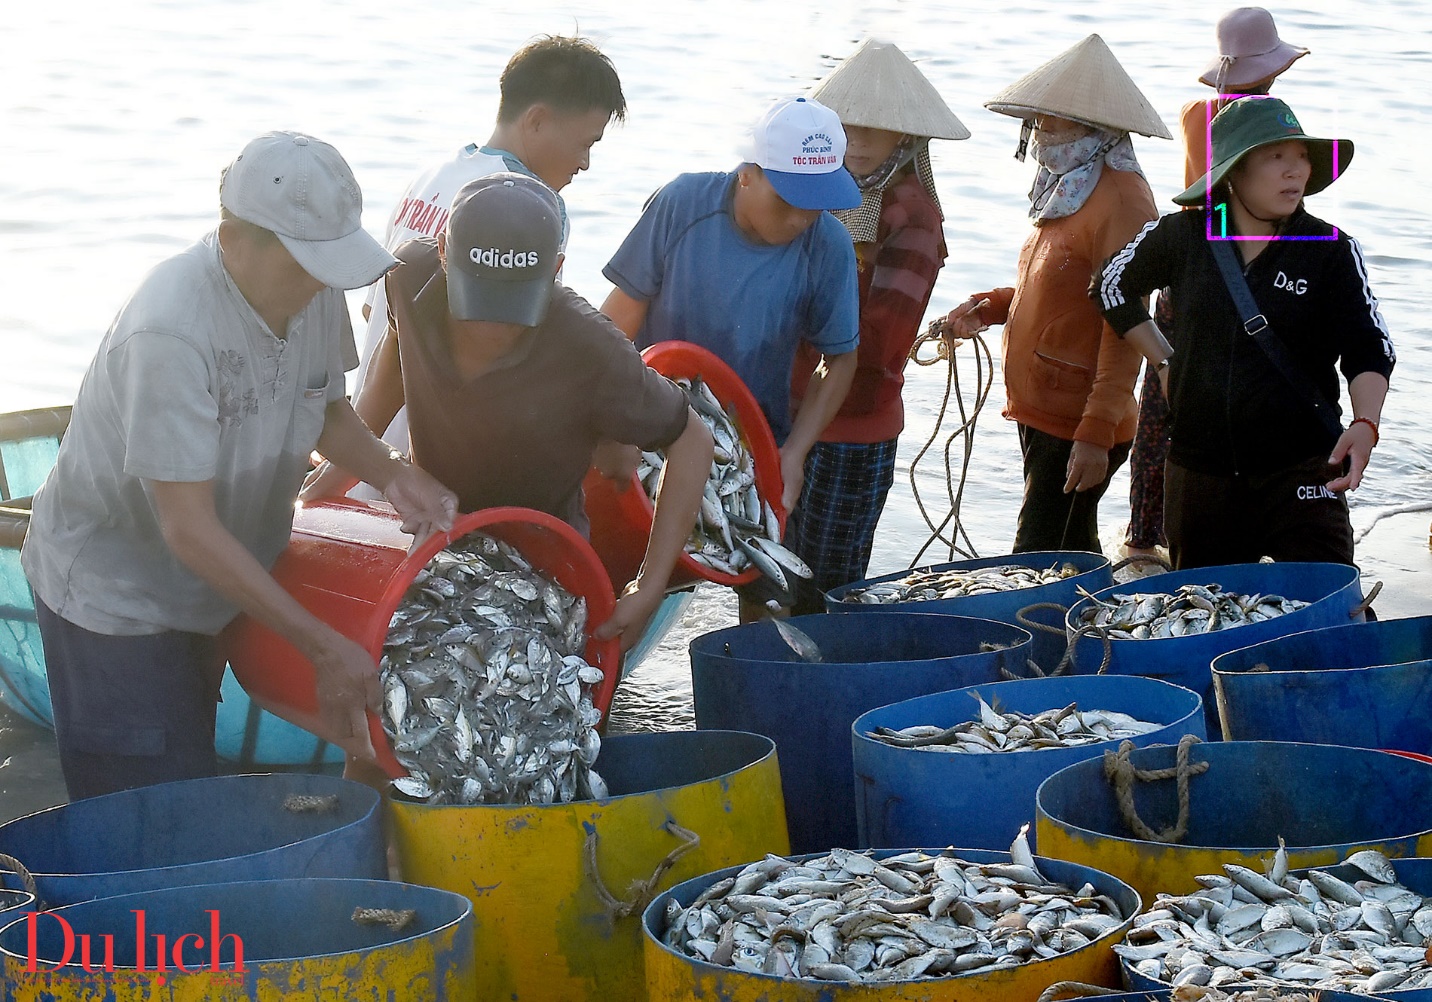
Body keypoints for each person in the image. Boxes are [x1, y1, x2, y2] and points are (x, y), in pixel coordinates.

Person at [21, 132, 457, 801]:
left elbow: (325, 406)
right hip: (115, 597)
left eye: (330, 263)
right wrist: (318, 643)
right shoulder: (169, 330)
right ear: (234, 238)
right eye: (305, 262)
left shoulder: (314, 289)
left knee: (189, 765)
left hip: (211, 584)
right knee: (147, 808)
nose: (319, 280)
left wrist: (394, 469)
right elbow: (188, 528)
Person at [305, 172, 713, 651]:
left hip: (542, 559)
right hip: (430, 537)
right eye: (478, 302)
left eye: (511, 309)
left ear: (556, 270)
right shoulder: (407, 273)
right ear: (442, 252)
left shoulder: (590, 346)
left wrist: (648, 584)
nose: (491, 329)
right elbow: (396, 361)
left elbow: (693, 440)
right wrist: (340, 470)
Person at [1092, 96, 1393, 569]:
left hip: (1304, 472)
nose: (1295, 172)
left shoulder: (1330, 250)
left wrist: (1365, 424)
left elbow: (1369, 348)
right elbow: (1110, 286)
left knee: (1325, 614)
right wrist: (1164, 360)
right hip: (1200, 473)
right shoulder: (1183, 236)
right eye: (1276, 157)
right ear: (1234, 171)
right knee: (1208, 619)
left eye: (1302, 159)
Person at [601, 96, 861, 620]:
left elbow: (840, 361)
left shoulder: (827, 243)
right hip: (655, 422)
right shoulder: (682, 204)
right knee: (613, 575)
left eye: (814, 205)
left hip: (750, 440)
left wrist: (794, 454)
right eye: (787, 201)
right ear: (747, 175)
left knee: (767, 598)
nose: (799, 220)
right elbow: (614, 323)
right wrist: (605, 422)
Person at [939, 34, 1167, 555]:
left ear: (1096, 128)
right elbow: (1064, 287)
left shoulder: (1123, 201)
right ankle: (1088, 633)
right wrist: (994, 305)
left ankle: (1045, 636)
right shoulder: (1069, 183)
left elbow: (1125, 325)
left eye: (1051, 119)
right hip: (1045, 405)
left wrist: (1096, 430)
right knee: (1070, 550)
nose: (1038, 131)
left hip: (1080, 416)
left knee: (1036, 555)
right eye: (1036, 119)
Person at [351, 35, 627, 460]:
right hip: (432, 472)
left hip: (362, 455)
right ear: (536, 120)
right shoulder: (534, 207)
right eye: (586, 143)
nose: (585, 163)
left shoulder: (428, 178)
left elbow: (376, 311)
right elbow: (515, 349)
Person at [781, 39, 968, 612]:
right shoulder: (824, 195)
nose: (856, 142)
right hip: (796, 416)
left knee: (824, 589)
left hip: (854, 425)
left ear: (905, 137)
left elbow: (883, 341)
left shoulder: (911, 214)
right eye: (847, 127)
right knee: (777, 578)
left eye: (873, 129)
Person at [1126, 7, 1310, 562]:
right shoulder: (1271, 117)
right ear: (1273, 67)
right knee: (1239, 399)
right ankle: (1253, 516)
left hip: (1186, 275)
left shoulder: (1193, 113)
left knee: (1161, 404)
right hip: (1246, 279)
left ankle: (1144, 531)